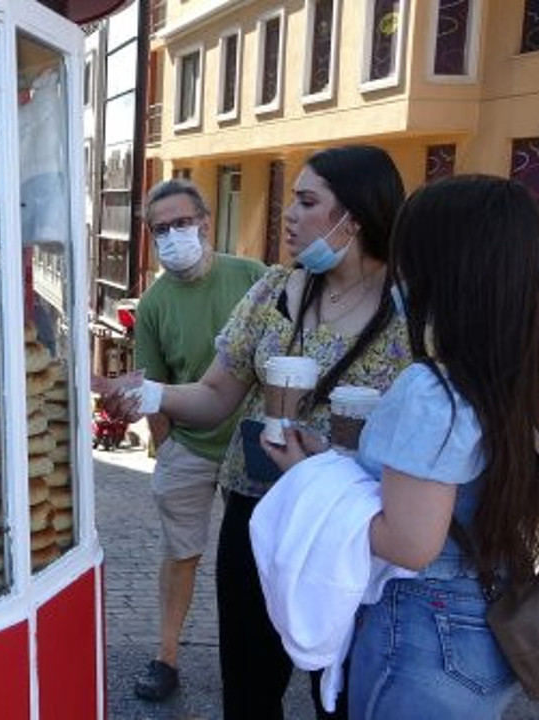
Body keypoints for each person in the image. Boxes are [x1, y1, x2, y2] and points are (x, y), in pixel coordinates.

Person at [105, 145, 410, 718]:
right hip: (258, 512)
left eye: (307, 201)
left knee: (340, 694)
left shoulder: (411, 312)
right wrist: (149, 396)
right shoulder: (274, 291)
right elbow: (216, 395)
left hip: (349, 530)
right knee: (248, 687)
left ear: (357, 216)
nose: (289, 215)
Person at [263, 175, 536, 718]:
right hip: (489, 618)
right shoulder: (516, 376)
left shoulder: (433, 392)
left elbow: (411, 543)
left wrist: (308, 478)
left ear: (442, 272)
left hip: (425, 630)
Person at [130, 179, 266, 701]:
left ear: (205, 223)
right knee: (180, 554)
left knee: (254, 556)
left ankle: (262, 654)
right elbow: (152, 388)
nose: (173, 235)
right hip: (190, 445)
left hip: (252, 447)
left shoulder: (251, 277)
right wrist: (167, 450)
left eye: (182, 223)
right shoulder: (153, 304)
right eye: (161, 229)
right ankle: (166, 657)